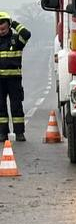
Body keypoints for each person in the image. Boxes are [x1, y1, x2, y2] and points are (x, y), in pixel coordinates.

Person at [0, 12, 32, 141]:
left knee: (16, 107)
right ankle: (2, 133)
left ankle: (19, 133)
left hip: (14, 80)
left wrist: (14, 23)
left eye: (3, 28)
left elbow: (26, 34)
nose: (1, 31)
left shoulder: (17, 40)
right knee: (0, 108)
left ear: (8, 25)